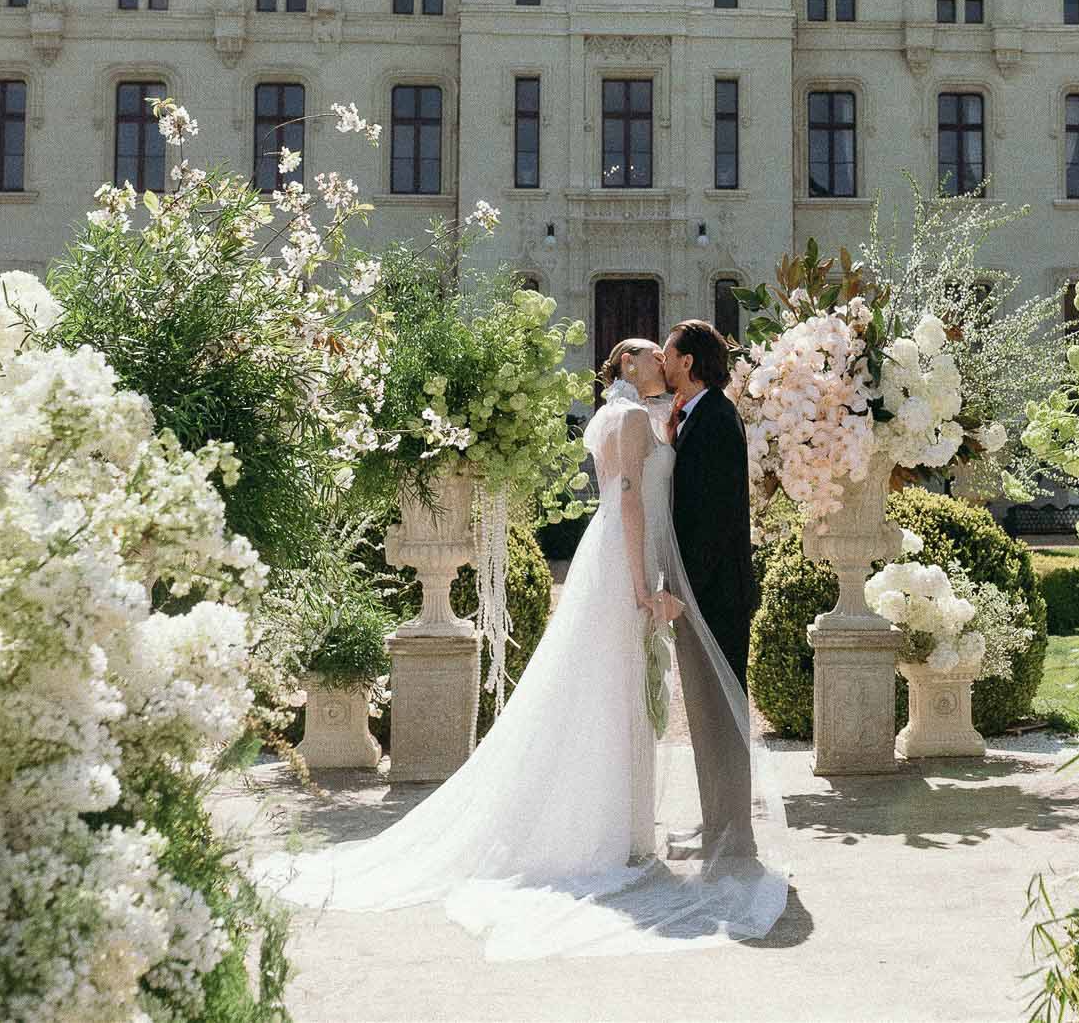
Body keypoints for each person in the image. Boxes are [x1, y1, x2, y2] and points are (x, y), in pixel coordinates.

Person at [263, 339, 786, 960]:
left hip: (663, 574)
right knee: (607, 693)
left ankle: (634, 829)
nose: (662, 360)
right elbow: (626, 499)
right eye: (651, 353)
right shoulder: (628, 418)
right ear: (629, 366)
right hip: (627, 569)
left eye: (666, 352)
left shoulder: (671, 417)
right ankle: (608, 830)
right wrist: (648, 587)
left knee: (627, 696)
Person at [660, 319, 759, 859]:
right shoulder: (698, 416)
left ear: (688, 362)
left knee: (721, 716)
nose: (665, 364)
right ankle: (716, 822)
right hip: (704, 594)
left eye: (670, 355)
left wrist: (683, 591)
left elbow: (716, 521)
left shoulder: (717, 420)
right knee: (707, 716)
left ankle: (731, 834)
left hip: (714, 597)